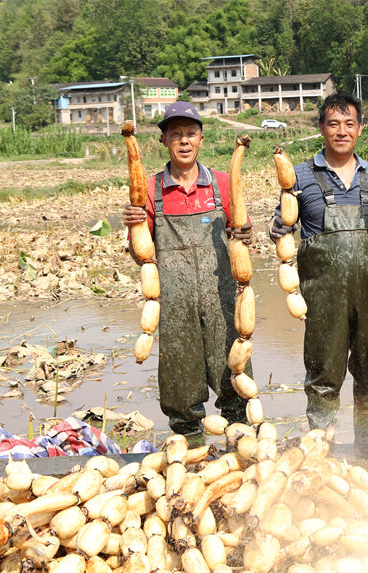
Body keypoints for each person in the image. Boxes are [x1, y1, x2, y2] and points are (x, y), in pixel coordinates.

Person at [269, 93, 368, 474]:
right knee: (323, 375)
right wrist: (276, 228)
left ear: (360, 129)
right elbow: (281, 225)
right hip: (321, 296)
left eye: (349, 124)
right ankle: (321, 451)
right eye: (333, 123)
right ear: (321, 128)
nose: (342, 131)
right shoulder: (297, 176)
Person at [122, 101, 253, 443]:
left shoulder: (222, 184)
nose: (183, 141)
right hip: (175, 307)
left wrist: (245, 233)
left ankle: (239, 452)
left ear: (201, 139)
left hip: (223, 300)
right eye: (175, 134)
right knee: (181, 390)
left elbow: (242, 236)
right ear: (163, 140)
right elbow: (141, 257)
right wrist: (135, 227)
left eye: (190, 134)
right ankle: (191, 450)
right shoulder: (150, 192)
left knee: (234, 380)